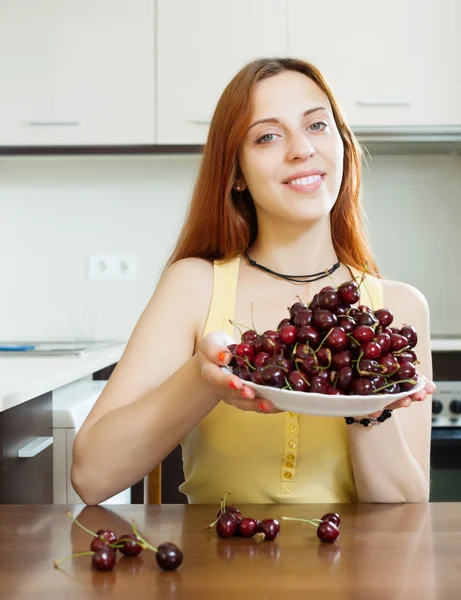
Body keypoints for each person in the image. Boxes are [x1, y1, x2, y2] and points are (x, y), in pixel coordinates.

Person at [71, 57, 435, 506]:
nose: (301, 149)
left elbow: (402, 515)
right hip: (217, 570)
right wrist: (203, 380)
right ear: (237, 173)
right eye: (267, 136)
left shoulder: (397, 309)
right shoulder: (194, 287)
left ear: (342, 144)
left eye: (317, 126)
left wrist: (367, 405)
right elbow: (91, 477)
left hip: (354, 574)